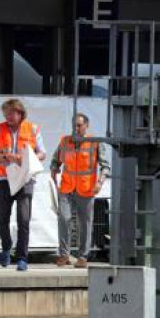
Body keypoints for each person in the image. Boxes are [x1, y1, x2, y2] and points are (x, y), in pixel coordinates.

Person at [0, 98, 46, 272]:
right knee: (0, 218)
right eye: (6, 114)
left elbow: (42, 153)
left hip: (25, 180)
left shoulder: (33, 129)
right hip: (5, 180)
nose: (8, 117)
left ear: (20, 113)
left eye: (11, 113)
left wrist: (27, 158)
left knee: (23, 220)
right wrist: (7, 157)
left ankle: (22, 258)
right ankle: (6, 246)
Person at [50, 113, 110, 269]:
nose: (75, 128)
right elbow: (56, 159)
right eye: (74, 125)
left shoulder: (94, 143)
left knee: (85, 224)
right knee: (64, 218)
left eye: (79, 125)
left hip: (86, 188)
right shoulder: (64, 141)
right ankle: (64, 255)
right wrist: (53, 169)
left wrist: (100, 183)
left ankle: (83, 257)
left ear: (86, 126)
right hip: (67, 187)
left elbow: (105, 166)